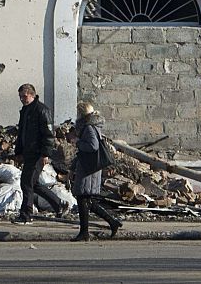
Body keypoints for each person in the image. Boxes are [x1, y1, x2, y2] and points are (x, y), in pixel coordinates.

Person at [12, 82, 69, 221]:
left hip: (38, 154)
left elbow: (48, 134)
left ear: (31, 94)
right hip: (28, 153)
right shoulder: (25, 111)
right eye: (20, 97)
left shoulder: (41, 110)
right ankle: (59, 204)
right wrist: (18, 152)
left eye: (24, 96)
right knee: (34, 184)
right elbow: (22, 133)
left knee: (26, 183)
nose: (22, 99)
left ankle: (26, 215)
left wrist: (45, 154)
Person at [71, 100, 122, 241]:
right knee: (87, 200)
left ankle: (84, 233)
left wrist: (78, 143)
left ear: (81, 114)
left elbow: (93, 146)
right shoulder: (93, 126)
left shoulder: (88, 128)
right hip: (90, 168)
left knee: (83, 198)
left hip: (88, 169)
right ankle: (112, 222)